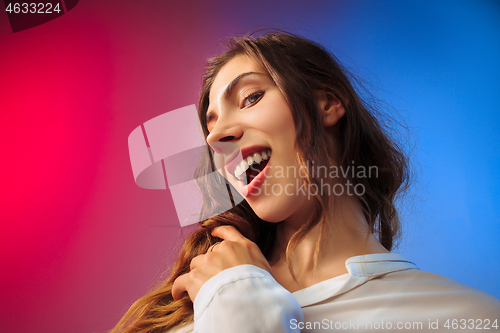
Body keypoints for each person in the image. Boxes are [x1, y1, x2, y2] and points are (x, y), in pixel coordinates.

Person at [112, 31, 500, 333]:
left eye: (250, 97)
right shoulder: (192, 298)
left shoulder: (472, 318)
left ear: (328, 103)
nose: (215, 138)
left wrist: (240, 300)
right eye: (209, 126)